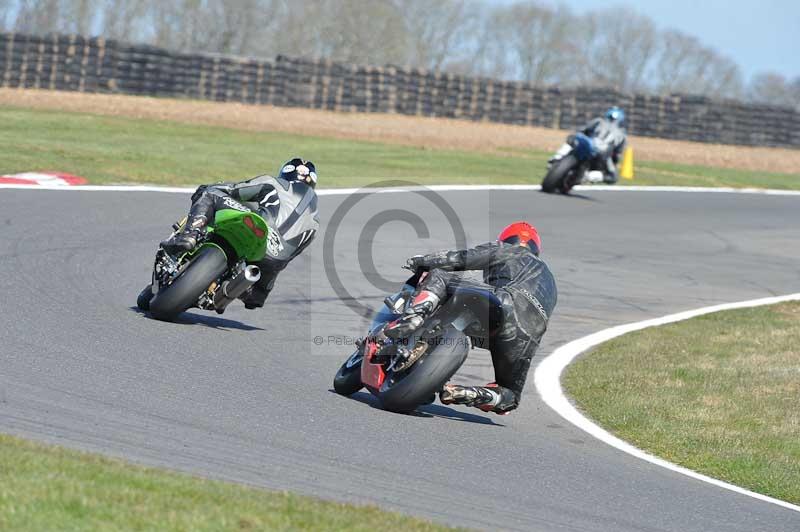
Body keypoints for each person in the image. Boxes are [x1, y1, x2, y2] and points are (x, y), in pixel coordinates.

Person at [384, 222, 557, 415]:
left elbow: (460, 259)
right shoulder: (550, 280)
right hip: (527, 338)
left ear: (507, 239)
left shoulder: (509, 250)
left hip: (505, 301)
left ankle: (414, 317)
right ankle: (471, 394)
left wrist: (422, 261)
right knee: (510, 395)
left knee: (440, 276)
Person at [161, 158, 320, 309]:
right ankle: (233, 289)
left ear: (285, 172)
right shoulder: (315, 223)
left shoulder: (274, 182)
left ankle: (190, 235)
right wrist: (264, 288)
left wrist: (207, 187)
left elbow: (233, 190)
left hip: (260, 230)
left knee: (210, 192)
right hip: (273, 260)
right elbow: (288, 258)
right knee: (256, 299)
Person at [550, 106, 628, 184]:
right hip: (603, 154)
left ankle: (556, 158)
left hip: (589, 145)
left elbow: (583, 130)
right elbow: (617, 154)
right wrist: (612, 164)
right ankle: (588, 177)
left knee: (572, 139)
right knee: (613, 177)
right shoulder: (622, 134)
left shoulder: (599, 121)